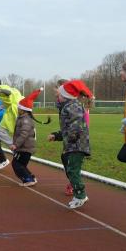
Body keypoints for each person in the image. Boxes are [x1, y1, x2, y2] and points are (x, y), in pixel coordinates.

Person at [49, 80, 92, 209]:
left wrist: (71, 138)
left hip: (77, 144)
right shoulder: (68, 106)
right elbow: (67, 128)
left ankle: (80, 196)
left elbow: (75, 124)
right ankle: (79, 194)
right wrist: (57, 136)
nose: (58, 97)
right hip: (73, 143)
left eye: (60, 95)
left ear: (66, 96)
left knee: (73, 170)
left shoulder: (73, 106)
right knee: (71, 169)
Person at [0, 77, 22, 170]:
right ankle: (2, 159)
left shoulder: (1, 91)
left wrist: (0, 90)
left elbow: (9, 92)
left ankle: (12, 153)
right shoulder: (0, 98)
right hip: (6, 119)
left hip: (11, 117)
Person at [11, 89, 42, 186]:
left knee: (16, 164)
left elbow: (24, 134)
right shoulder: (23, 118)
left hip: (25, 148)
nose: (17, 109)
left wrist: (15, 145)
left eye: (19, 108)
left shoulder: (26, 120)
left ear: (23, 109)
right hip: (24, 147)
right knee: (21, 164)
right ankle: (31, 178)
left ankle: (28, 179)